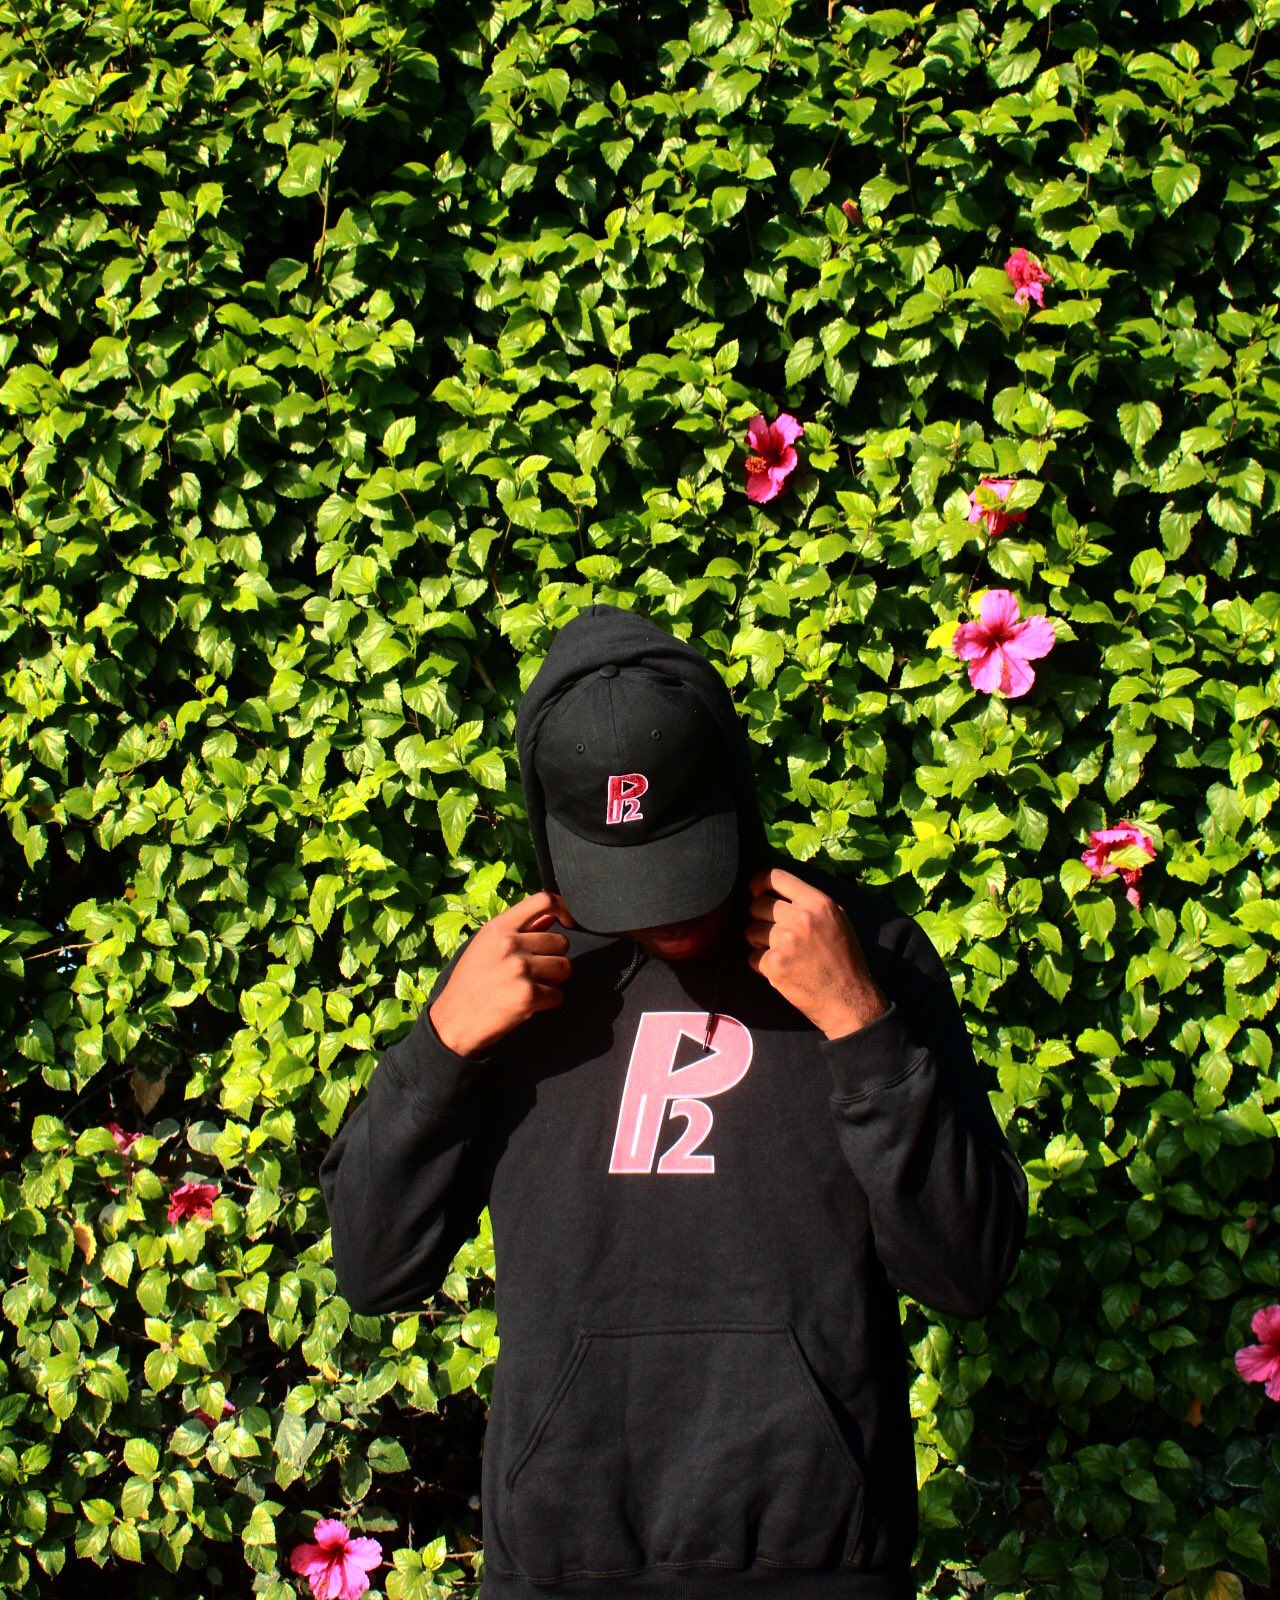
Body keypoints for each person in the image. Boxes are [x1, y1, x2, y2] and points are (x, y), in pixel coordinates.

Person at [319, 600, 1029, 1600]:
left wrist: (860, 1024)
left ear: (733, 791)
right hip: (564, 1564)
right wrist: (441, 1049)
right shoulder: (515, 979)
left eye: (684, 860)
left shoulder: (859, 950)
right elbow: (372, 1267)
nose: (667, 912)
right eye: (628, 879)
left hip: (817, 1561)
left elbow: (966, 1271)